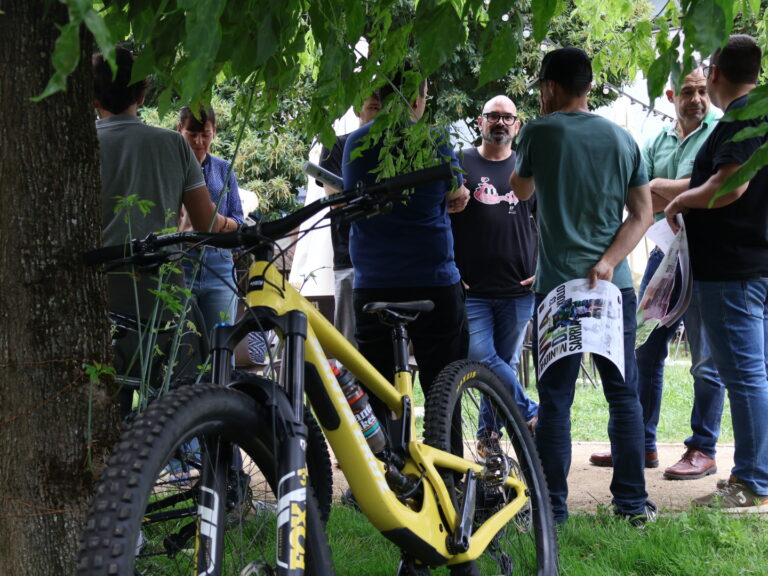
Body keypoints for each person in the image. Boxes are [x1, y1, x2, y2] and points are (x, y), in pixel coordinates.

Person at [510, 47, 655, 524]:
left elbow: (521, 189)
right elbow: (642, 215)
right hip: (615, 290)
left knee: (556, 400)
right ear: (588, 85)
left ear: (550, 87)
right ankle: (632, 506)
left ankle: (552, 508)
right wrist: (611, 261)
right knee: (623, 395)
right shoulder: (623, 139)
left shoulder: (538, 131)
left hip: (559, 289)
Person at [589, 69, 726, 480]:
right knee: (645, 349)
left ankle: (702, 448)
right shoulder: (655, 141)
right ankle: (641, 443)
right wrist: (681, 190)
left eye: (703, 91)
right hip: (664, 255)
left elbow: (710, 185)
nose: (697, 98)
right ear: (671, 95)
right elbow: (641, 195)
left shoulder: (718, 134)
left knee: (705, 360)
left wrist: (668, 186)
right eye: (688, 91)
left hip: (707, 258)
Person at [94, 47, 236, 411]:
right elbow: (206, 223)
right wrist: (236, 224)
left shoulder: (82, 146)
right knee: (187, 395)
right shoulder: (171, 143)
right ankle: (214, 467)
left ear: (92, 96)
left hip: (101, 294)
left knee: (113, 400)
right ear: (142, 96)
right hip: (161, 295)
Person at [665, 34, 768, 513]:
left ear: (716, 74)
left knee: (745, 377)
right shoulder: (756, 113)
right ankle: (756, 474)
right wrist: (666, 190)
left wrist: (683, 201)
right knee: (753, 375)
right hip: (751, 264)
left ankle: (750, 481)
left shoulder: (743, 118)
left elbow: (728, 187)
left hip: (733, 269)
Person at [342, 70, 470, 412]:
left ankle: (386, 462)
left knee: (379, 393)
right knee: (445, 394)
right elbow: (456, 192)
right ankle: (448, 462)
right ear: (417, 101)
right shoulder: (435, 139)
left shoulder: (356, 142)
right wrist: (452, 194)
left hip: (374, 284)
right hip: (433, 282)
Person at [450, 95, 538, 450]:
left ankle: (488, 435)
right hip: (472, 289)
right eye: (493, 117)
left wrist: (544, 266)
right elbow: (442, 219)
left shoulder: (527, 167)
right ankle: (531, 411)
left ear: (517, 125)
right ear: (479, 122)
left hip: (519, 288)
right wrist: (452, 269)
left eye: (507, 118)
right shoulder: (461, 162)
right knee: (481, 356)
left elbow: (547, 219)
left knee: (504, 363)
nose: (500, 123)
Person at [317, 95, 382, 347]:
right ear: (357, 108)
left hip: (394, 263)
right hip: (350, 260)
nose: (379, 110)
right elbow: (337, 200)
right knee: (350, 349)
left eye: (384, 104)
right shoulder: (337, 146)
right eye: (373, 105)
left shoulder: (398, 148)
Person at [177, 106, 245, 335]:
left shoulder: (224, 169)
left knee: (222, 343)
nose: (199, 141)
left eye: (205, 135)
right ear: (180, 130)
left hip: (220, 262)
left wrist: (219, 222)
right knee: (181, 345)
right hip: (181, 260)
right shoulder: (171, 168)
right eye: (192, 134)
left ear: (214, 131)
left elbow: (239, 220)